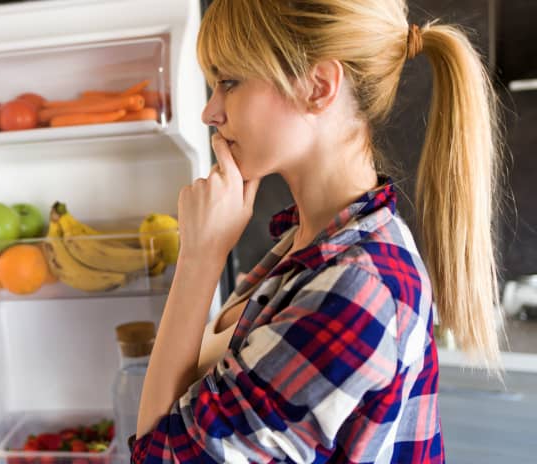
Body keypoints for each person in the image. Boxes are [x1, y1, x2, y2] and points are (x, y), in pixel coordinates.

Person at [130, 0, 503, 462]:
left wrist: (199, 259)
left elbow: (159, 454)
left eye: (229, 83)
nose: (211, 112)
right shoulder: (306, 245)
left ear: (318, 87)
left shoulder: (357, 288)